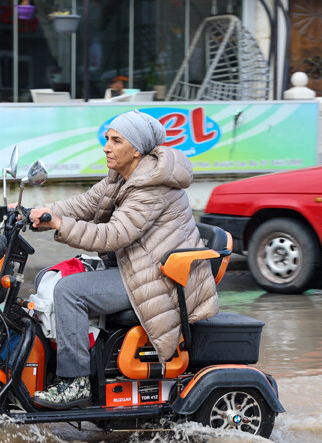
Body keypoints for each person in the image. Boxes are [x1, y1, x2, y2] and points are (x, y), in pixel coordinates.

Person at [27, 110, 219, 409]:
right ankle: (60, 365)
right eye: (107, 139)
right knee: (51, 277)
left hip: (157, 280)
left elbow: (114, 236)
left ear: (137, 150)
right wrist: (33, 210)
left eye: (116, 141)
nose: (106, 146)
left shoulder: (152, 188)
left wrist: (59, 225)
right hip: (134, 268)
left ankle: (75, 382)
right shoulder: (123, 177)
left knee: (70, 291)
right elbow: (84, 204)